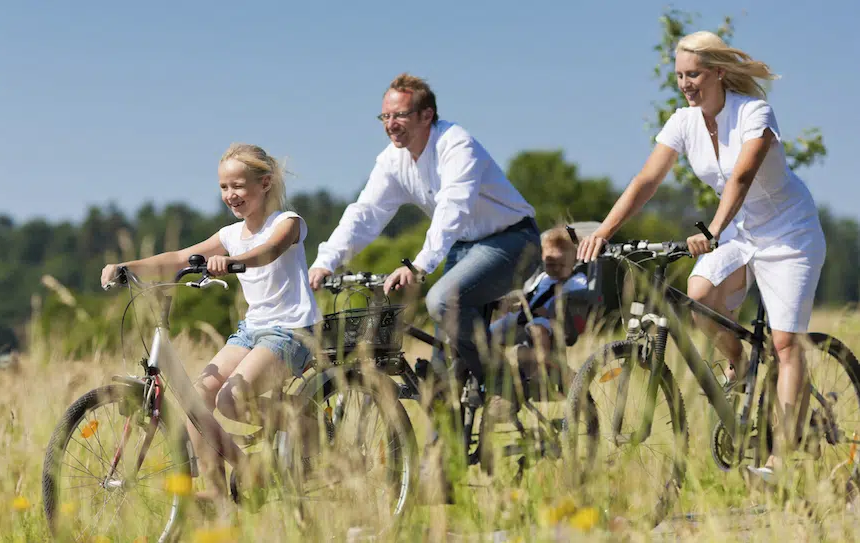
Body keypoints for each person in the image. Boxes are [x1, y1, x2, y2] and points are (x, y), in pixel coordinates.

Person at [576, 31, 826, 480]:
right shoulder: (684, 121)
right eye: (679, 75)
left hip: (789, 235)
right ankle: (744, 364)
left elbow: (743, 175)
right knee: (699, 292)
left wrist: (712, 229)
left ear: (718, 73)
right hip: (741, 233)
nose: (685, 83)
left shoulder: (754, 112)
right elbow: (646, 180)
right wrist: (605, 231)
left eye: (693, 74)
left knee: (787, 344)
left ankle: (780, 463)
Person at [100, 143, 322, 506]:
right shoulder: (230, 234)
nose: (230, 195)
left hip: (292, 330)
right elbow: (178, 256)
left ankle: (306, 425)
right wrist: (128, 266)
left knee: (232, 401)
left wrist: (234, 261)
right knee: (196, 398)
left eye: (238, 186)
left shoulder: (288, 223)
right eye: (223, 187)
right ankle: (222, 490)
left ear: (265, 183)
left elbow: (269, 251)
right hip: (253, 329)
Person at [308, 72, 541, 391]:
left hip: (512, 241)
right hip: (465, 246)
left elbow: (453, 206)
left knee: (443, 301)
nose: (390, 124)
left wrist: (421, 264)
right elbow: (367, 213)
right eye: (385, 116)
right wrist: (327, 261)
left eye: (400, 115)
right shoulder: (392, 160)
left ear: (426, 115)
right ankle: (443, 434)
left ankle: (502, 383)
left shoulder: (456, 144)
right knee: (441, 377)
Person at [490, 226, 590, 411]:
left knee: (537, 328)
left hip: (551, 319)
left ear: (574, 261)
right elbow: (528, 295)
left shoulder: (577, 280)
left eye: (562, 265)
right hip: (525, 316)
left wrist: (553, 308)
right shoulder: (543, 278)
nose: (556, 269)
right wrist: (511, 303)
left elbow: (578, 298)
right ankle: (498, 372)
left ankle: (541, 367)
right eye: (551, 264)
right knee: (491, 332)